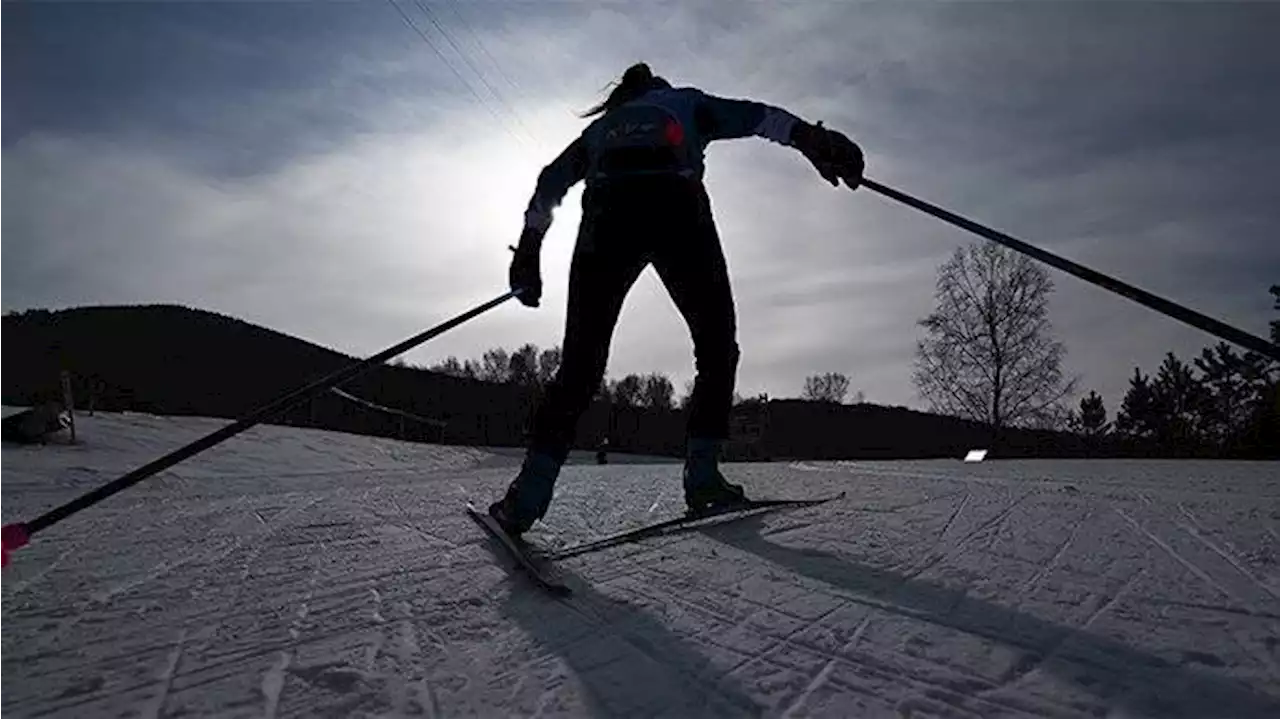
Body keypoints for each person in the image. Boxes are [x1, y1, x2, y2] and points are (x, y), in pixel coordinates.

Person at [489, 62, 865, 538]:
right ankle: (703, 478)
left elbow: (550, 180)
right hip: (677, 208)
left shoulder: (602, 128)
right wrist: (813, 140)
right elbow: (759, 117)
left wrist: (529, 249)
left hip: (607, 217)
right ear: (658, 88)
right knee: (716, 346)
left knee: (581, 366)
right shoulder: (686, 102)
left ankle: (528, 495)